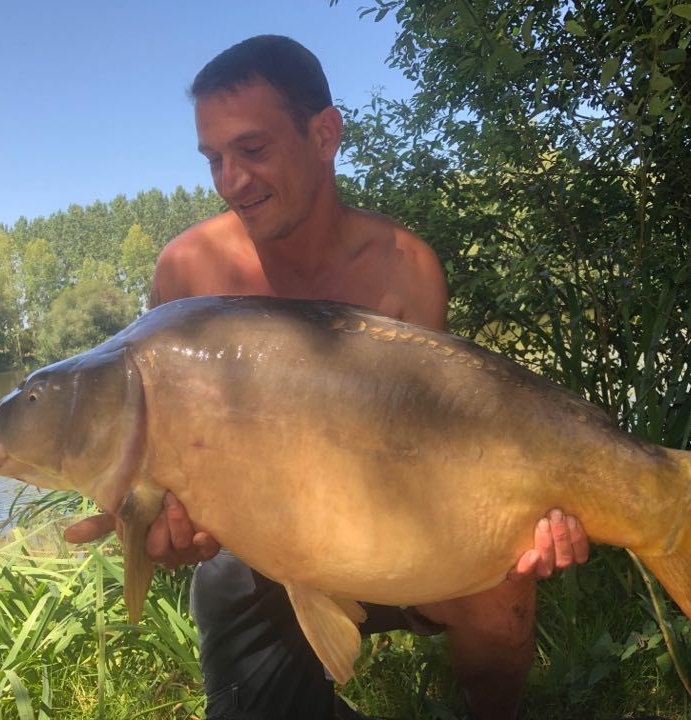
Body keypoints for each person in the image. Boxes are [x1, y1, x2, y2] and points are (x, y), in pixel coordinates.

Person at [64, 35, 590, 720]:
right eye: (214, 158)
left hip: (384, 523)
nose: (230, 180)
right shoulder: (187, 273)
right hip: (251, 550)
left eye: (252, 149)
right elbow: (174, 464)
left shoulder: (404, 270)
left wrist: (518, 523)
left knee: (503, 594)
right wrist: (161, 525)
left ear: (324, 134)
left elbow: (434, 449)